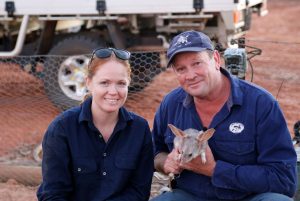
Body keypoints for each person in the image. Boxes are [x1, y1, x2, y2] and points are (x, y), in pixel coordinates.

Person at [150, 30, 297, 201]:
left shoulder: (261, 104)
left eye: (197, 63)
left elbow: (284, 180)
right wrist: (165, 162)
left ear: (216, 60)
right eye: (181, 69)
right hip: (190, 196)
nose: (190, 76)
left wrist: (213, 169)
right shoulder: (171, 104)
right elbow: (154, 153)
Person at [37, 48, 154, 201]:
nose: (113, 91)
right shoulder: (62, 129)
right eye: (104, 83)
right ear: (89, 83)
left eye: (121, 83)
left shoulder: (140, 129)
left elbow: (139, 192)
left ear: (129, 84)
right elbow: (53, 194)